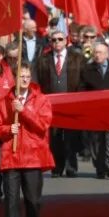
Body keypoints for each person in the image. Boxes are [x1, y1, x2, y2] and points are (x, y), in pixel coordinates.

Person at [0, 64, 54, 217]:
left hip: (33, 157)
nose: (24, 79)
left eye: (27, 76)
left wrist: (24, 111)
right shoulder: (3, 101)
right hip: (12, 156)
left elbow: (43, 125)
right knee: (11, 202)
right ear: (15, 79)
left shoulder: (41, 99)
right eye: (21, 76)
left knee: (33, 201)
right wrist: (7, 130)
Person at [35, 30, 85, 177]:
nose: (57, 42)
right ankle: (57, 167)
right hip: (51, 103)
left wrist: (79, 97)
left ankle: (71, 167)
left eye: (60, 39)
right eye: (53, 40)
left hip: (71, 103)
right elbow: (38, 80)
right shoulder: (43, 59)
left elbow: (83, 79)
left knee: (71, 136)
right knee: (55, 137)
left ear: (66, 41)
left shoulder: (77, 58)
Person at [79, 42, 109, 179]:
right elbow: (82, 89)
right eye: (95, 52)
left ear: (107, 54)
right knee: (96, 139)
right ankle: (99, 166)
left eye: (100, 52)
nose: (97, 55)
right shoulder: (87, 70)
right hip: (95, 110)